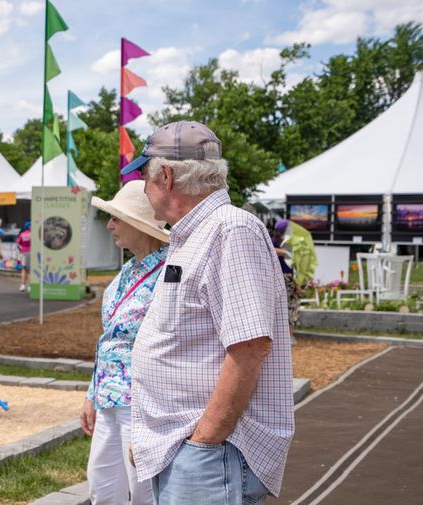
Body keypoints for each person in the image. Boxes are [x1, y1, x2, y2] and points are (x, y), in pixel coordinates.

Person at [122, 120, 294, 504]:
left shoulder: (230, 230)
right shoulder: (199, 233)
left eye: (144, 179)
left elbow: (249, 347)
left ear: (165, 176)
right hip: (191, 450)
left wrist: (203, 441)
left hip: (209, 457)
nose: (142, 190)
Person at [81, 181, 169, 505]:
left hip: (142, 402)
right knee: (102, 488)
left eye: (116, 218)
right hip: (109, 398)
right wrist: (92, 394)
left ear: (137, 223)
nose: (110, 225)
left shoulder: (168, 272)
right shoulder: (126, 272)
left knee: (144, 492)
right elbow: (108, 340)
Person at [272, 219, 317, 338]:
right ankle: (282, 337)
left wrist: (300, 282)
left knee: (292, 306)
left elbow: (298, 263)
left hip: (289, 278)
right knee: (285, 307)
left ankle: (288, 337)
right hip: (280, 277)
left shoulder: (290, 243)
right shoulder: (274, 243)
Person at [17, 221, 32, 292]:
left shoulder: (22, 234)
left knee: (24, 268)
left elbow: (18, 244)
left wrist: (21, 250)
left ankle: (23, 285)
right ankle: (30, 286)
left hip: (24, 252)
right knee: (30, 270)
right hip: (32, 252)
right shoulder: (34, 234)